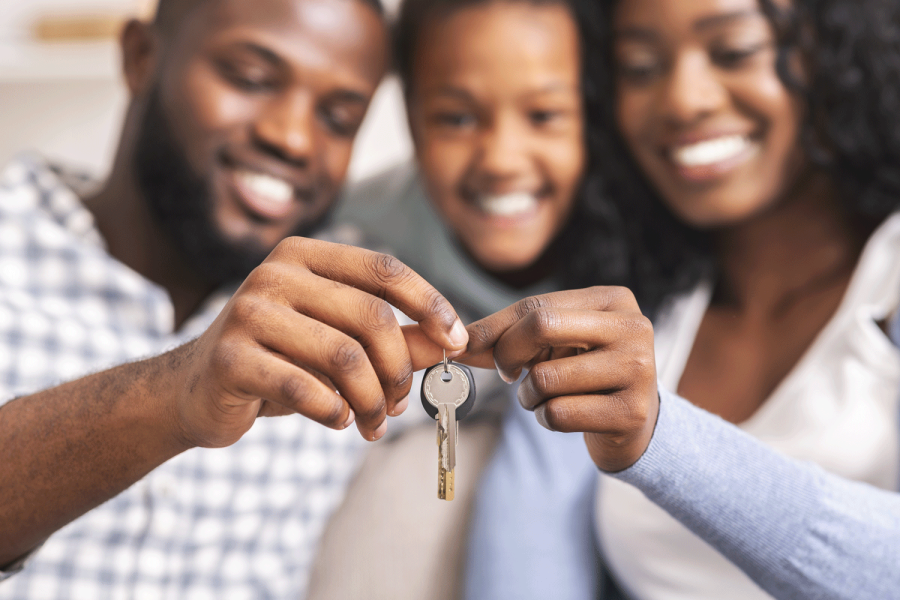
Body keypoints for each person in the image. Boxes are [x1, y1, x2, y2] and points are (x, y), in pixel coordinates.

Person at [0, 0, 471, 596]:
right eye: (251, 79)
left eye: (338, 117)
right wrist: (173, 392)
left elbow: (484, 361)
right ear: (141, 57)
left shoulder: (362, 297)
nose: (293, 137)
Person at [459, 0, 900, 597]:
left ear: (836, 54)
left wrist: (662, 440)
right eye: (639, 68)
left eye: (734, 52)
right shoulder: (613, 313)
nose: (683, 100)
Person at [309, 1, 616, 598]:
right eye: (455, 119)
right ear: (409, 118)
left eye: (545, 114)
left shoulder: (645, 242)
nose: (501, 158)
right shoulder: (355, 237)